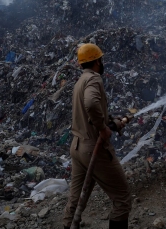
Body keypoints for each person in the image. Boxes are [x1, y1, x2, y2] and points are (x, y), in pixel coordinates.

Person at [63, 43, 131, 229]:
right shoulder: (94, 78)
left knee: (76, 200)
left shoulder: (80, 81)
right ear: (98, 61)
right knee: (122, 198)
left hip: (77, 147)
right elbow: (91, 104)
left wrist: (112, 122)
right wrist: (102, 128)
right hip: (94, 148)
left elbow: (89, 112)